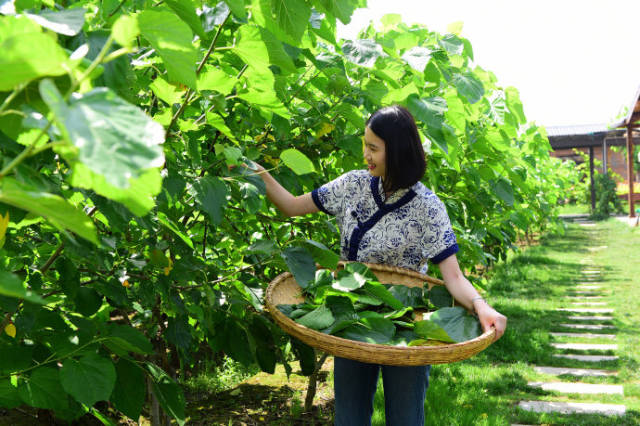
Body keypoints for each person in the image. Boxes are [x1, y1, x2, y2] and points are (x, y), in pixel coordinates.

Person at [253, 105, 507, 425]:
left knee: (404, 418)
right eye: (365, 145)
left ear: (398, 150)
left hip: (405, 327)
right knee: (349, 417)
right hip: (353, 318)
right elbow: (291, 206)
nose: (365, 154)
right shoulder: (353, 186)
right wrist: (257, 172)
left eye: (373, 148)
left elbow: (453, 276)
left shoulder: (427, 207)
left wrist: (482, 307)